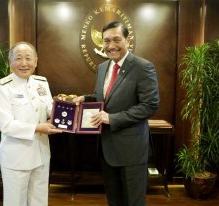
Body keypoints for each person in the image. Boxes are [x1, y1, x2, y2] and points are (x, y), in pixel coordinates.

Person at [74, 21, 160, 206]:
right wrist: (86, 99)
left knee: (133, 201)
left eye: (116, 39)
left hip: (132, 149)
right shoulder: (103, 67)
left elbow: (150, 105)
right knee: (114, 200)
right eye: (106, 41)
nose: (111, 46)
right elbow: (103, 98)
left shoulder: (143, 67)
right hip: (106, 148)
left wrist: (111, 118)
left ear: (127, 40)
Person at [0, 42, 62, 206]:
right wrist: (38, 128)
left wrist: (58, 115)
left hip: (41, 153)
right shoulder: (1, 88)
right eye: (18, 58)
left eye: (28, 58)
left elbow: (49, 108)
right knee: (15, 202)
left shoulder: (41, 83)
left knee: (39, 201)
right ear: (10, 63)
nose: (24, 63)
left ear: (36, 61)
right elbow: (6, 125)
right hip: (17, 157)